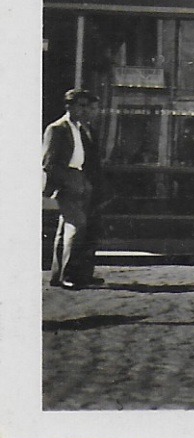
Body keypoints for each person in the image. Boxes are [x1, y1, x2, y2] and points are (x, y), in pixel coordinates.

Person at [43, 89, 106, 289]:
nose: (84, 110)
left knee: (65, 229)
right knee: (76, 226)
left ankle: (57, 274)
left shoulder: (78, 128)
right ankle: (68, 275)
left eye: (87, 106)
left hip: (80, 178)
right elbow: (49, 163)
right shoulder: (57, 128)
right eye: (80, 105)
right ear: (69, 106)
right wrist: (64, 183)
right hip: (68, 180)